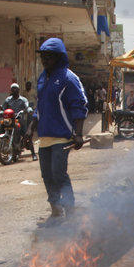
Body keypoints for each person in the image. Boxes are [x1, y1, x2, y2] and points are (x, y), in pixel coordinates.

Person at [35, 37, 87, 223]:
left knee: (58, 172)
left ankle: (71, 210)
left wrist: (78, 133)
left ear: (58, 57)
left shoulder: (68, 78)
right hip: (45, 137)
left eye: (49, 56)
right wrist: (28, 131)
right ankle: (56, 209)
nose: (45, 60)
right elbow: (40, 107)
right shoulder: (43, 78)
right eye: (43, 56)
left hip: (62, 137)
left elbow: (79, 105)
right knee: (47, 175)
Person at [1, 82, 36, 161]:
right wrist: (1, 112)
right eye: (12, 89)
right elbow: (3, 108)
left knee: (27, 135)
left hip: (19, 120)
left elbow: (27, 106)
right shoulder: (8, 100)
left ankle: (33, 154)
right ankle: (3, 141)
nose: (14, 90)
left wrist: (29, 109)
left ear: (19, 90)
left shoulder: (23, 99)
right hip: (10, 120)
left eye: (15, 89)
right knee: (2, 124)